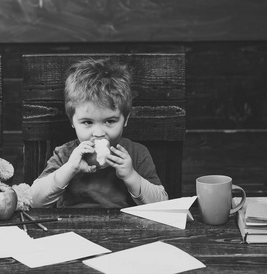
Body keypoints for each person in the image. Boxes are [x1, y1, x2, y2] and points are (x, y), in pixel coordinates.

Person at [31, 58, 168, 208]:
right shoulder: (65, 155)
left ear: (125, 119)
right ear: (72, 121)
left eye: (110, 121)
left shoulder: (136, 154)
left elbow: (162, 204)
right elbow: (34, 201)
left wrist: (131, 176)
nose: (98, 133)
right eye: (87, 122)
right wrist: (69, 169)